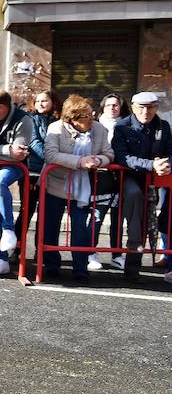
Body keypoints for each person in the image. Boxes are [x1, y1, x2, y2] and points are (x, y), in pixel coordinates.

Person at [41, 95, 114, 283]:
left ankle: (80, 267)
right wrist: (80, 162)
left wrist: (99, 160)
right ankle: (51, 265)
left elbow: (109, 153)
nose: (91, 119)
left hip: (83, 187)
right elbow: (50, 155)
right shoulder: (55, 128)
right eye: (85, 116)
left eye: (91, 114)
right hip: (56, 184)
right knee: (50, 226)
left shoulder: (99, 129)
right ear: (71, 119)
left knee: (80, 227)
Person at [111, 91, 172, 282]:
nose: (146, 111)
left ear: (156, 108)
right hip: (130, 177)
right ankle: (132, 269)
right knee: (137, 218)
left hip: (157, 178)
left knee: (153, 221)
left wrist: (167, 164)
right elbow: (122, 157)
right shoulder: (122, 126)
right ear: (133, 107)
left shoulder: (163, 126)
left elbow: (170, 151)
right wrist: (151, 165)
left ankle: (160, 262)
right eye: (141, 107)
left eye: (151, 107)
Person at [0, 89, 34, 277]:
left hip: (16, 167)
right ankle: (1, 259)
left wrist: (1, 153)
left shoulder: (24, 120)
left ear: (2, 108)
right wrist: (7, 150)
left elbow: (19, 154)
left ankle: (9, 230)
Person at [12, 90, 59, 263]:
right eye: (38, 100)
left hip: (53, 173)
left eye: (45, 100)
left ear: (53, 102)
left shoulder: (59, 121)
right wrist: (53, 156)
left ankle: (41, 251)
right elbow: (33, 142)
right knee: (26, 211)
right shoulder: (30, 119)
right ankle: (16, 249)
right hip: (31, 172)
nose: (40, 103)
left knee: (46, 215)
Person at [94, 93, 128, 271]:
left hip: (120, 176)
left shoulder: (127, 124)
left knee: (118, 217)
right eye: (109, 105)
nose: (112, 108)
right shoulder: (95, 125)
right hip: (100, 176)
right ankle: (91, 252)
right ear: (103, 107)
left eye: (116, 105)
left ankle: (117, 254)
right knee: (97, 215)